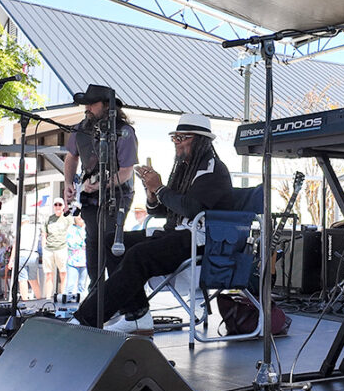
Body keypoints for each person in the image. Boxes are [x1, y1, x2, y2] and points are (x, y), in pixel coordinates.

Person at [71, 114, 233, 334]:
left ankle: (85, 320)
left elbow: (193, 209)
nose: (176, 142)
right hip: (176, 233)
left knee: (139, 254)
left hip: (202, 238)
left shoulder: (214, 170)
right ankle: (136, 314)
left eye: (182, 138)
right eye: (174, 138)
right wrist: (151, 194)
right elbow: (161, 210)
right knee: (112, 242)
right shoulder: (185, 169)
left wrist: (160, 189)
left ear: (201, 140)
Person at [63, 84, 139, 289]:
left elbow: (126, 171)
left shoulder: (124, 132)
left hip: (118, 194)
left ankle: (116, 293)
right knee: (92, 240)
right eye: (85, 104)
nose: (87, 108)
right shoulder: (80, 129)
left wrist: (100, 186)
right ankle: (95, 290)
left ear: (107, 106)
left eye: (92, 104)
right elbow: (71, 157)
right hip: (90, 194)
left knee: (109, 240)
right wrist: (68, 184)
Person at [42, 197, 72, 298]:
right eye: (56, 205)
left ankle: (62, 295)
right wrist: (43, 248)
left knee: (63, 273)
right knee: (48, 274)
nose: (58, 207)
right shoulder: (48, 219)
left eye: (60, 204)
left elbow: (74, 230)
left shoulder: (68, 218)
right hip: (49, 249)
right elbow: (44, 234)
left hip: (62, 248)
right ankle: (48, 297)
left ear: (63, 206)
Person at [9, 215, 42, 300]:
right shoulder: (35, 229)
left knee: (22, 279)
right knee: (33, 279)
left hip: (22, 253)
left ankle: (25, 301)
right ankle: (40, 299)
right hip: (33, 254)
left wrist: (11, 260)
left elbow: (15, 245)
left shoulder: (20, 229)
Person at [65, 214, 88, 295]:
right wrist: (84, 244)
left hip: (85, 262)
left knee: (82, 286)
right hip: (72, 262)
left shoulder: (88, 228)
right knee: (70, 286)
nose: (80, 217)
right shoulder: (71, 228)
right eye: (78, 215)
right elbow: (71, 243)